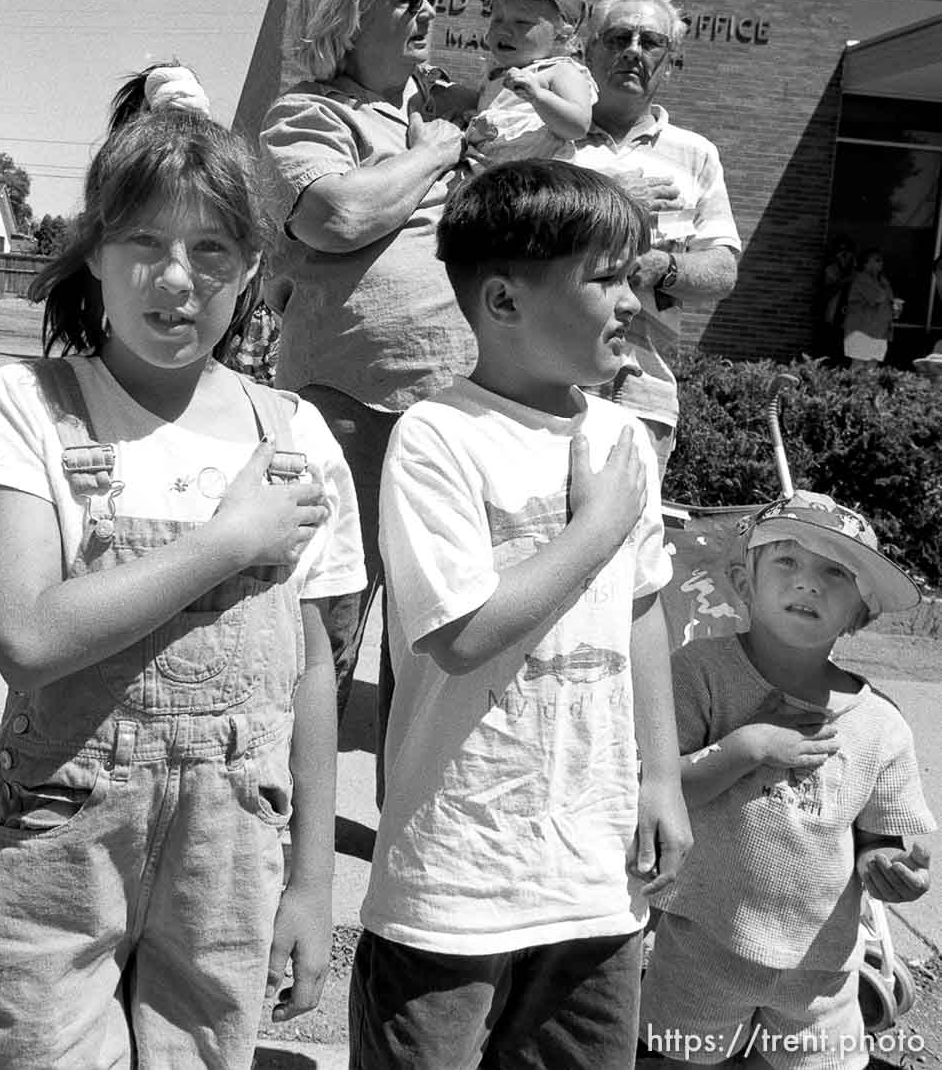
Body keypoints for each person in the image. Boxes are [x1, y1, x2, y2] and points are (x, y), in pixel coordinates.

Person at [0, 113, 361, 1067]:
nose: (178, 279)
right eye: (145, 243)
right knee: (33, 1048)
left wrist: (312, 884)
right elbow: (30, 639)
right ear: (93, 252)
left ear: (252, 267)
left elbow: (310, 673)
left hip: (233, 842)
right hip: (66, 824)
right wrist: (228, 543)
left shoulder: (294, 436)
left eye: (211, 248)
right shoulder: (32, 405)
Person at [352, 160, 689, 1069]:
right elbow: (462, 637)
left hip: (594, 870)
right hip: (455, 875)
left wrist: (661, 778)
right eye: (606, 277)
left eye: (635, 274)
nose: (632, 300)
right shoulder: (439, 436)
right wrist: (595, 529)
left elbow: (644, 609)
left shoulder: (621, 440)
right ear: (502, 300)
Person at [258, 0, 477, 708]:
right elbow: (338, 217)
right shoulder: (307, 115)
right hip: (348, 407)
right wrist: (435, 156)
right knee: (328, 618)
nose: (429, 12)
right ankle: (292, 820)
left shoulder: (440, 115)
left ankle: (401, 825)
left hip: (453, 406)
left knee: (432, 634)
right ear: (350, 11)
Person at [640, 491, 933, 1070]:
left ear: (861, 610)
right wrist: (750, 746)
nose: (808, 584)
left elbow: (885, 834)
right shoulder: (699, 675)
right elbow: (658, 791)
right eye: (786, 562)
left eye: (835, 572)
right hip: (703, 943)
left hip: (822, 966)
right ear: (743, 583)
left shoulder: (880, 724)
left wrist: (893, 866)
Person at [572, 0, 739, 472]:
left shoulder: (696, 154)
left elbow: (723, 270)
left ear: (671, 62)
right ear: (588, 50)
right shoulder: (547, 136)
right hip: (541, 383)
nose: (632, 52)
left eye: (650, 43)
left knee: (631, 540)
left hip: (642, 390)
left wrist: (657, 267)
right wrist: (609, 200)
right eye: (618, 38)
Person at [446, 0, 595, 166]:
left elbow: (578, 126)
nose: (504, 30)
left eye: (521, 22)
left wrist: (539, 96)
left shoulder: (559, 71)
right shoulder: (496, 74)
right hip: (491, 177)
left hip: (539, 181)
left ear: (561, 34)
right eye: (497, 19)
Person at [842, 247, 899, 372]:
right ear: (865, 263)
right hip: (862, 331)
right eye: (877, 260)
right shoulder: (862, 278)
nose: (881, 263)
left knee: (871, 369)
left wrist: (894, 309)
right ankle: (847, 391)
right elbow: (879, 297)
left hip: (880, 332)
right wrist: (885, 288)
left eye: (881, 261)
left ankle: (864, 392)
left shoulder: (883, 281)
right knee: (857, 366)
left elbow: (890, 302)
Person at [818, 235, 856, 361]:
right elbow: (825, 294)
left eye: (847, 250)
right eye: (840, 250)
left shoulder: (858, 272)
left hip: (852, 323)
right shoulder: (830, 270)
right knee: (828, 356)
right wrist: (843, 281)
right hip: (832, 319)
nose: (844, 254)